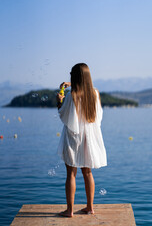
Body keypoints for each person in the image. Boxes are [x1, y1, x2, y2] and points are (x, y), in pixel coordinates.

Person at [56, 63, 107, 217]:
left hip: (74, 136)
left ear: (75, 76)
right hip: (89, 137)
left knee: (71, 173)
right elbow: (98, 117)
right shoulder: (95, 93)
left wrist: (60, 100)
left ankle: (69, 211)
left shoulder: (72, 95)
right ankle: (90, 207)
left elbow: (63, 115)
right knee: (88, 172)